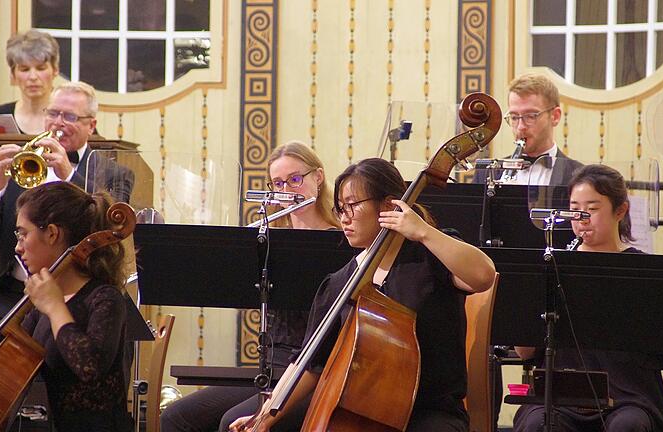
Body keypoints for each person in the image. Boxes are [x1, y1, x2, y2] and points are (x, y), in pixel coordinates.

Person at [228, 157, 497, 432]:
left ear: (388, 206)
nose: (344, 217)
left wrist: (425, 233)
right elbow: (307, 362)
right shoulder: (341, 282)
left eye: (353, 206)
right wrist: (264, 418)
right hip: (362, 410)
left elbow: (484, 275)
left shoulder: (429, 257)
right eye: (340, 208)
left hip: (430, 412)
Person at [160, 141, 340, 432]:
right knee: (176, 417)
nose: (287, 190)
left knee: (230, 423)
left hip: (309, 374)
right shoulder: (268, 241)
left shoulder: (339, 243)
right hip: (269, 369)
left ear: (317, 177)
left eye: (295, 180)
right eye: (278, 183)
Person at [512, 164, 663, 432]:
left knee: (628, 425)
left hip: (627, 397)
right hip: (559, 399)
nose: (581, 218)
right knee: (537, 424)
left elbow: (659, 350)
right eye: (574, 208)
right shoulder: (553, 265)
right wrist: (526, 302)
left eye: (591, 208)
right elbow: (525, 352)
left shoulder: (645, 271)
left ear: (620, 210)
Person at [0, 81, 134, 352]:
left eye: (70, 117)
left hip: (75, 297)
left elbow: (109, 225)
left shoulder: (115, 174)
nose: (58, 123)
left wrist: (70, 175)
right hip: (14, 293)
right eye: (53, 113)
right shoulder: (25, 162)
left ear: (91, 125)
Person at [15, 181, 132, 431]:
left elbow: (90, 367)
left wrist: (55, 306)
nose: (18, 246)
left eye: (24, 234)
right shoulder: (41, 305)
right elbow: (4, 354)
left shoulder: (105, 298)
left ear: (52, 234)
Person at [474, 73, 582, 186]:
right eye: (514, 117)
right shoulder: (486, 173)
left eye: (531, 116)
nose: (520, 127)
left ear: (555, 116)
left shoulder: (579, 176)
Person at [0, 30, 59, 134]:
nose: (33, 77)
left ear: (55, 70)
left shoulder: (71, 120)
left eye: (41, 68)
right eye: (24, 69)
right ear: (13, 74)